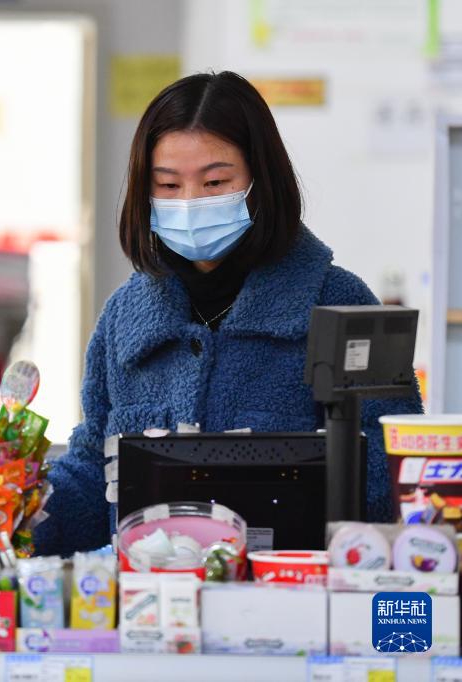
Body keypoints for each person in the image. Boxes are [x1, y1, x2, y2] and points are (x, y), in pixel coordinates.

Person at [33, 72, 423, 557]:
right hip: (152, 598)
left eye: (215, 182)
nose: (190, 202)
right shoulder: (125, 316)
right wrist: (22, 509)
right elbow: (94, 470)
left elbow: (398, 473)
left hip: (295, 594)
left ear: (262, 180)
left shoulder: (339, 303)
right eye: (168, 184)